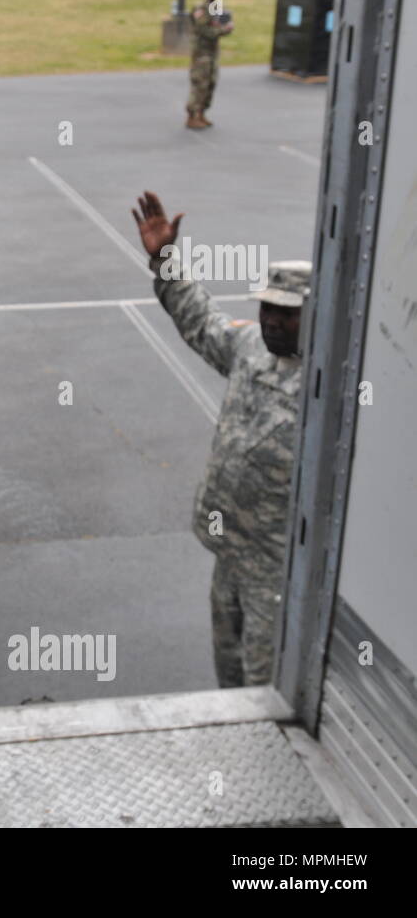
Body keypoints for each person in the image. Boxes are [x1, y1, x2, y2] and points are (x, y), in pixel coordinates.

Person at [132, 190, 309, 687]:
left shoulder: (331, 384)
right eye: (267, 308)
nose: (271, 318)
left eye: (286, 312)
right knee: (229, 673)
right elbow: (200, 320)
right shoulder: (252, 347)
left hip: (276, 571)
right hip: (230, 549)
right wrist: (164, 259)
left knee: (266, 686)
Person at [187, 0, 233, 129]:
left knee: (210, 84)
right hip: (202, 54)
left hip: (212, 53)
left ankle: (201, 113)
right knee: (200, 84)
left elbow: (219, 24)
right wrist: (223, 30)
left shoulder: (216, 8)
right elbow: (205, 31)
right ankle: (192, 115)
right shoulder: (200, 9)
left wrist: (226, 25)